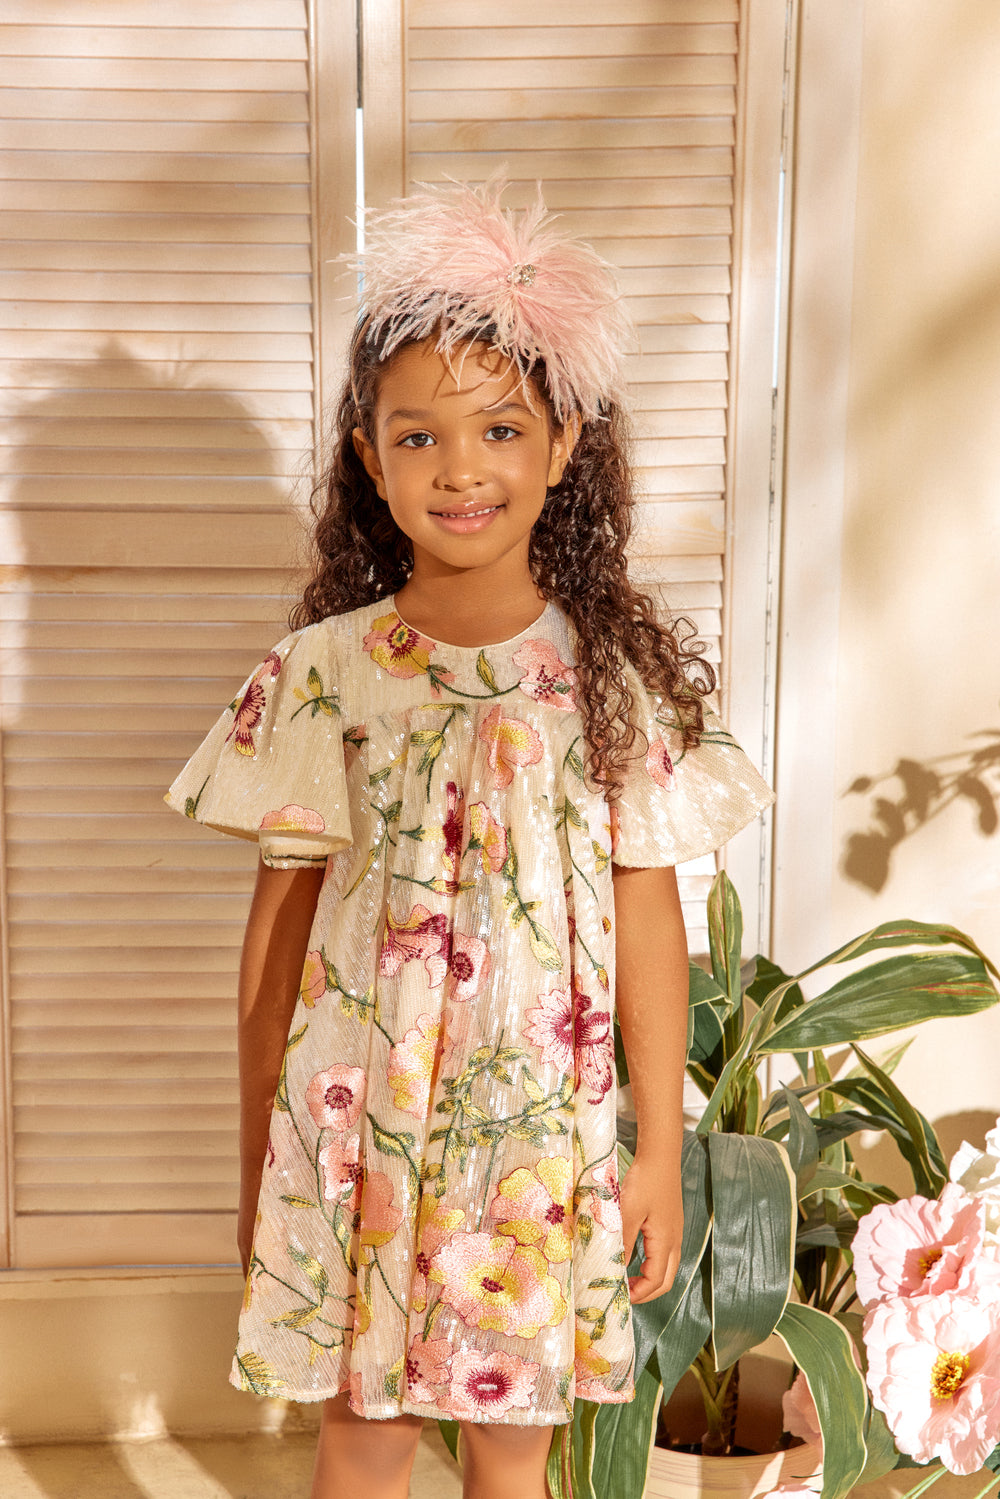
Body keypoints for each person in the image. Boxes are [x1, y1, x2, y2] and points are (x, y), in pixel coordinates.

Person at [165, 180, 773, 1499]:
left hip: (536, 1147)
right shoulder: (324, 674)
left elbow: (649, 917)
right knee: (363, 1439)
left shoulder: (612, 682)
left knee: (513, 1443)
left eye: (500, 427)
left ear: (563, 444)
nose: (460, 467)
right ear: (369, 459)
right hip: (357, 1125)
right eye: (419, 435)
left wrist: (656, 1149)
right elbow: (275, 943)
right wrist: (254, 1153)